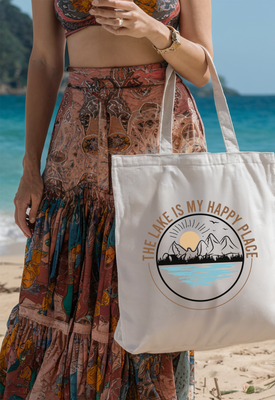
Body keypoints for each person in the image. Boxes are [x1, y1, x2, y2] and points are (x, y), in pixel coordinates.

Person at [0, 0, 212, 398]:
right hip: (77, 140)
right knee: (64, 280)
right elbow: (46, 60)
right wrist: (30, 167)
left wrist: (150, 27)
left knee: (157, 282)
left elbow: (201, 68)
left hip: (160, 132)